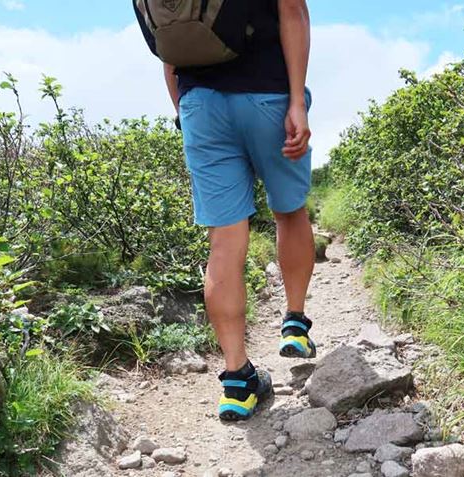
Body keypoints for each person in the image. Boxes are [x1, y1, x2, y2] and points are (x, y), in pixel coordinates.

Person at [135, 0, 316, 422]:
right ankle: (295, 323)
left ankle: (237, 381)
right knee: (289, 211)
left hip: (200, 105)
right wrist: (297, 102)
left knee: (223, 242)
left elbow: (170, 44)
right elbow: (292, 11)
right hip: (269, 93)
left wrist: (186, 111)